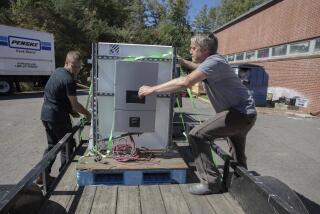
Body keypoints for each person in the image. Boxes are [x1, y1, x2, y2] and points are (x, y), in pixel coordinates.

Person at [138, 34, 257, 195]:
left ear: (205, 50)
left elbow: (185, 82)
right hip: (245, 114)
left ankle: (210, 182)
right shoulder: (214, 61)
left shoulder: (214, 62)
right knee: (237, 153)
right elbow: (196, 68)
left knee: (197, 135)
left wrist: (152, 89)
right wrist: (183, 62)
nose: (190, 51)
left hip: (238, 114)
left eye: (193, 48)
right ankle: (243, 184)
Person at [39, 51, 91, 184]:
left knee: (52, 146)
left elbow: (59, 96)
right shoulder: (69, 80)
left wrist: (70, 110)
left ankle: (42, 175)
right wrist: (88, 114)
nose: (76, 69)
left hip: (46, 115)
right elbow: (75, 105)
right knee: (67, 145)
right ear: (66, 63)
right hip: (57, 117)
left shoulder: (57, 72)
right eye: (74, 66)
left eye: (78, 66)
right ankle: (65, 177)